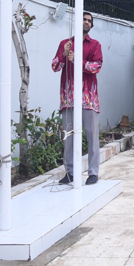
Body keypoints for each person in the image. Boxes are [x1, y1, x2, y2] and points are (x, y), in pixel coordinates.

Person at [52, 12, 103, 185]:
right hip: (68, 98)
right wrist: (64, 56)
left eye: (89, 21)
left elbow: (96, 66)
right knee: (68, 137)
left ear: (91, 25)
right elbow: (55, 66)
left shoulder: (95, 45)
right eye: (84, 19)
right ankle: (70, 173)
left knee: (92, 136)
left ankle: (93, 172)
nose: (86, 22)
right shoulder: (65, 44)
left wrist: (77, 61)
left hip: (88, 98)